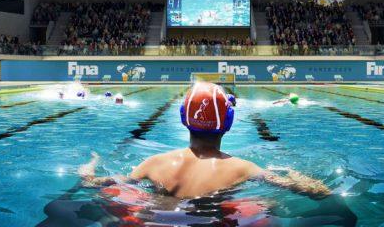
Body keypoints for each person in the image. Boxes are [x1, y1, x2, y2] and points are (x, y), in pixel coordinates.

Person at [78, 82, 330, 199]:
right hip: (215, 217)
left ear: (183, 119)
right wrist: (292, 172)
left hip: (159, 216)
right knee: (268, 204)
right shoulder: (244, 168)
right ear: (228, 124)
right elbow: (318, 192)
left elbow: (91, 183)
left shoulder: (153, 163)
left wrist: (90, 165)